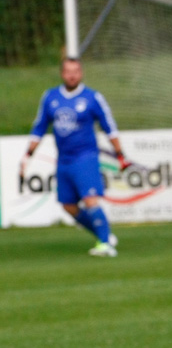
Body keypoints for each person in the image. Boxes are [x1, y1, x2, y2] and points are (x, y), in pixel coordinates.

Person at [21, 58, 127, 257]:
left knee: (90, 199)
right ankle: (102, 233)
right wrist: (27, 155)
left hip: (86, 156)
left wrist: (120, 155)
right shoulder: (50, 97)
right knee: (68, 206)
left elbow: (109, 127)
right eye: (68, 71)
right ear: (62, 74)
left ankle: (105, 244)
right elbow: (39, 127)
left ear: (81, 73)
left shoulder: (92, 97)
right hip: (64, 160)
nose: (72, 75)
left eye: (76, 71)